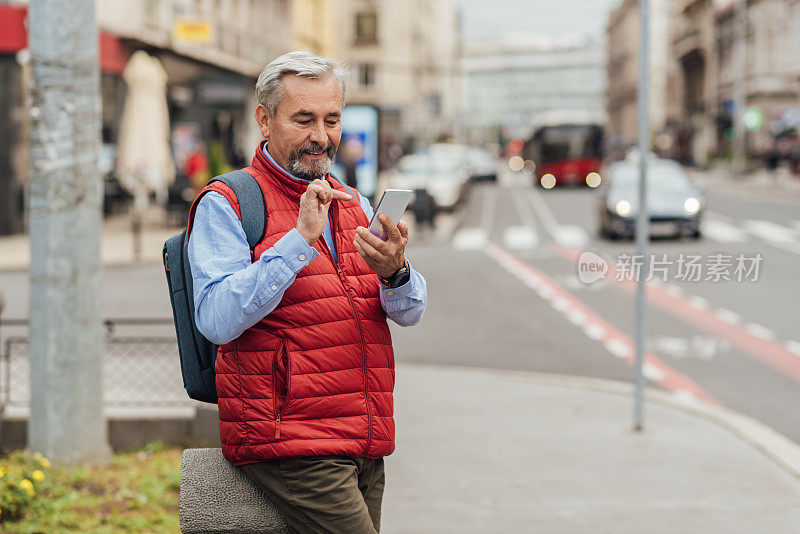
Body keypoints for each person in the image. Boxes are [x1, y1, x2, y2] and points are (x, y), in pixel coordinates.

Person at [186, 51, 427, 533]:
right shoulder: (228, 202)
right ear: (264, 119)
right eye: (304, 119)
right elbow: (215, 317)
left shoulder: (353, 201)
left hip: (364, 437)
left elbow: (410, 311)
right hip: (292, 439)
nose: (322, 135)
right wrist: (298, 242)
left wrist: (396, 273)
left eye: (332, 119)